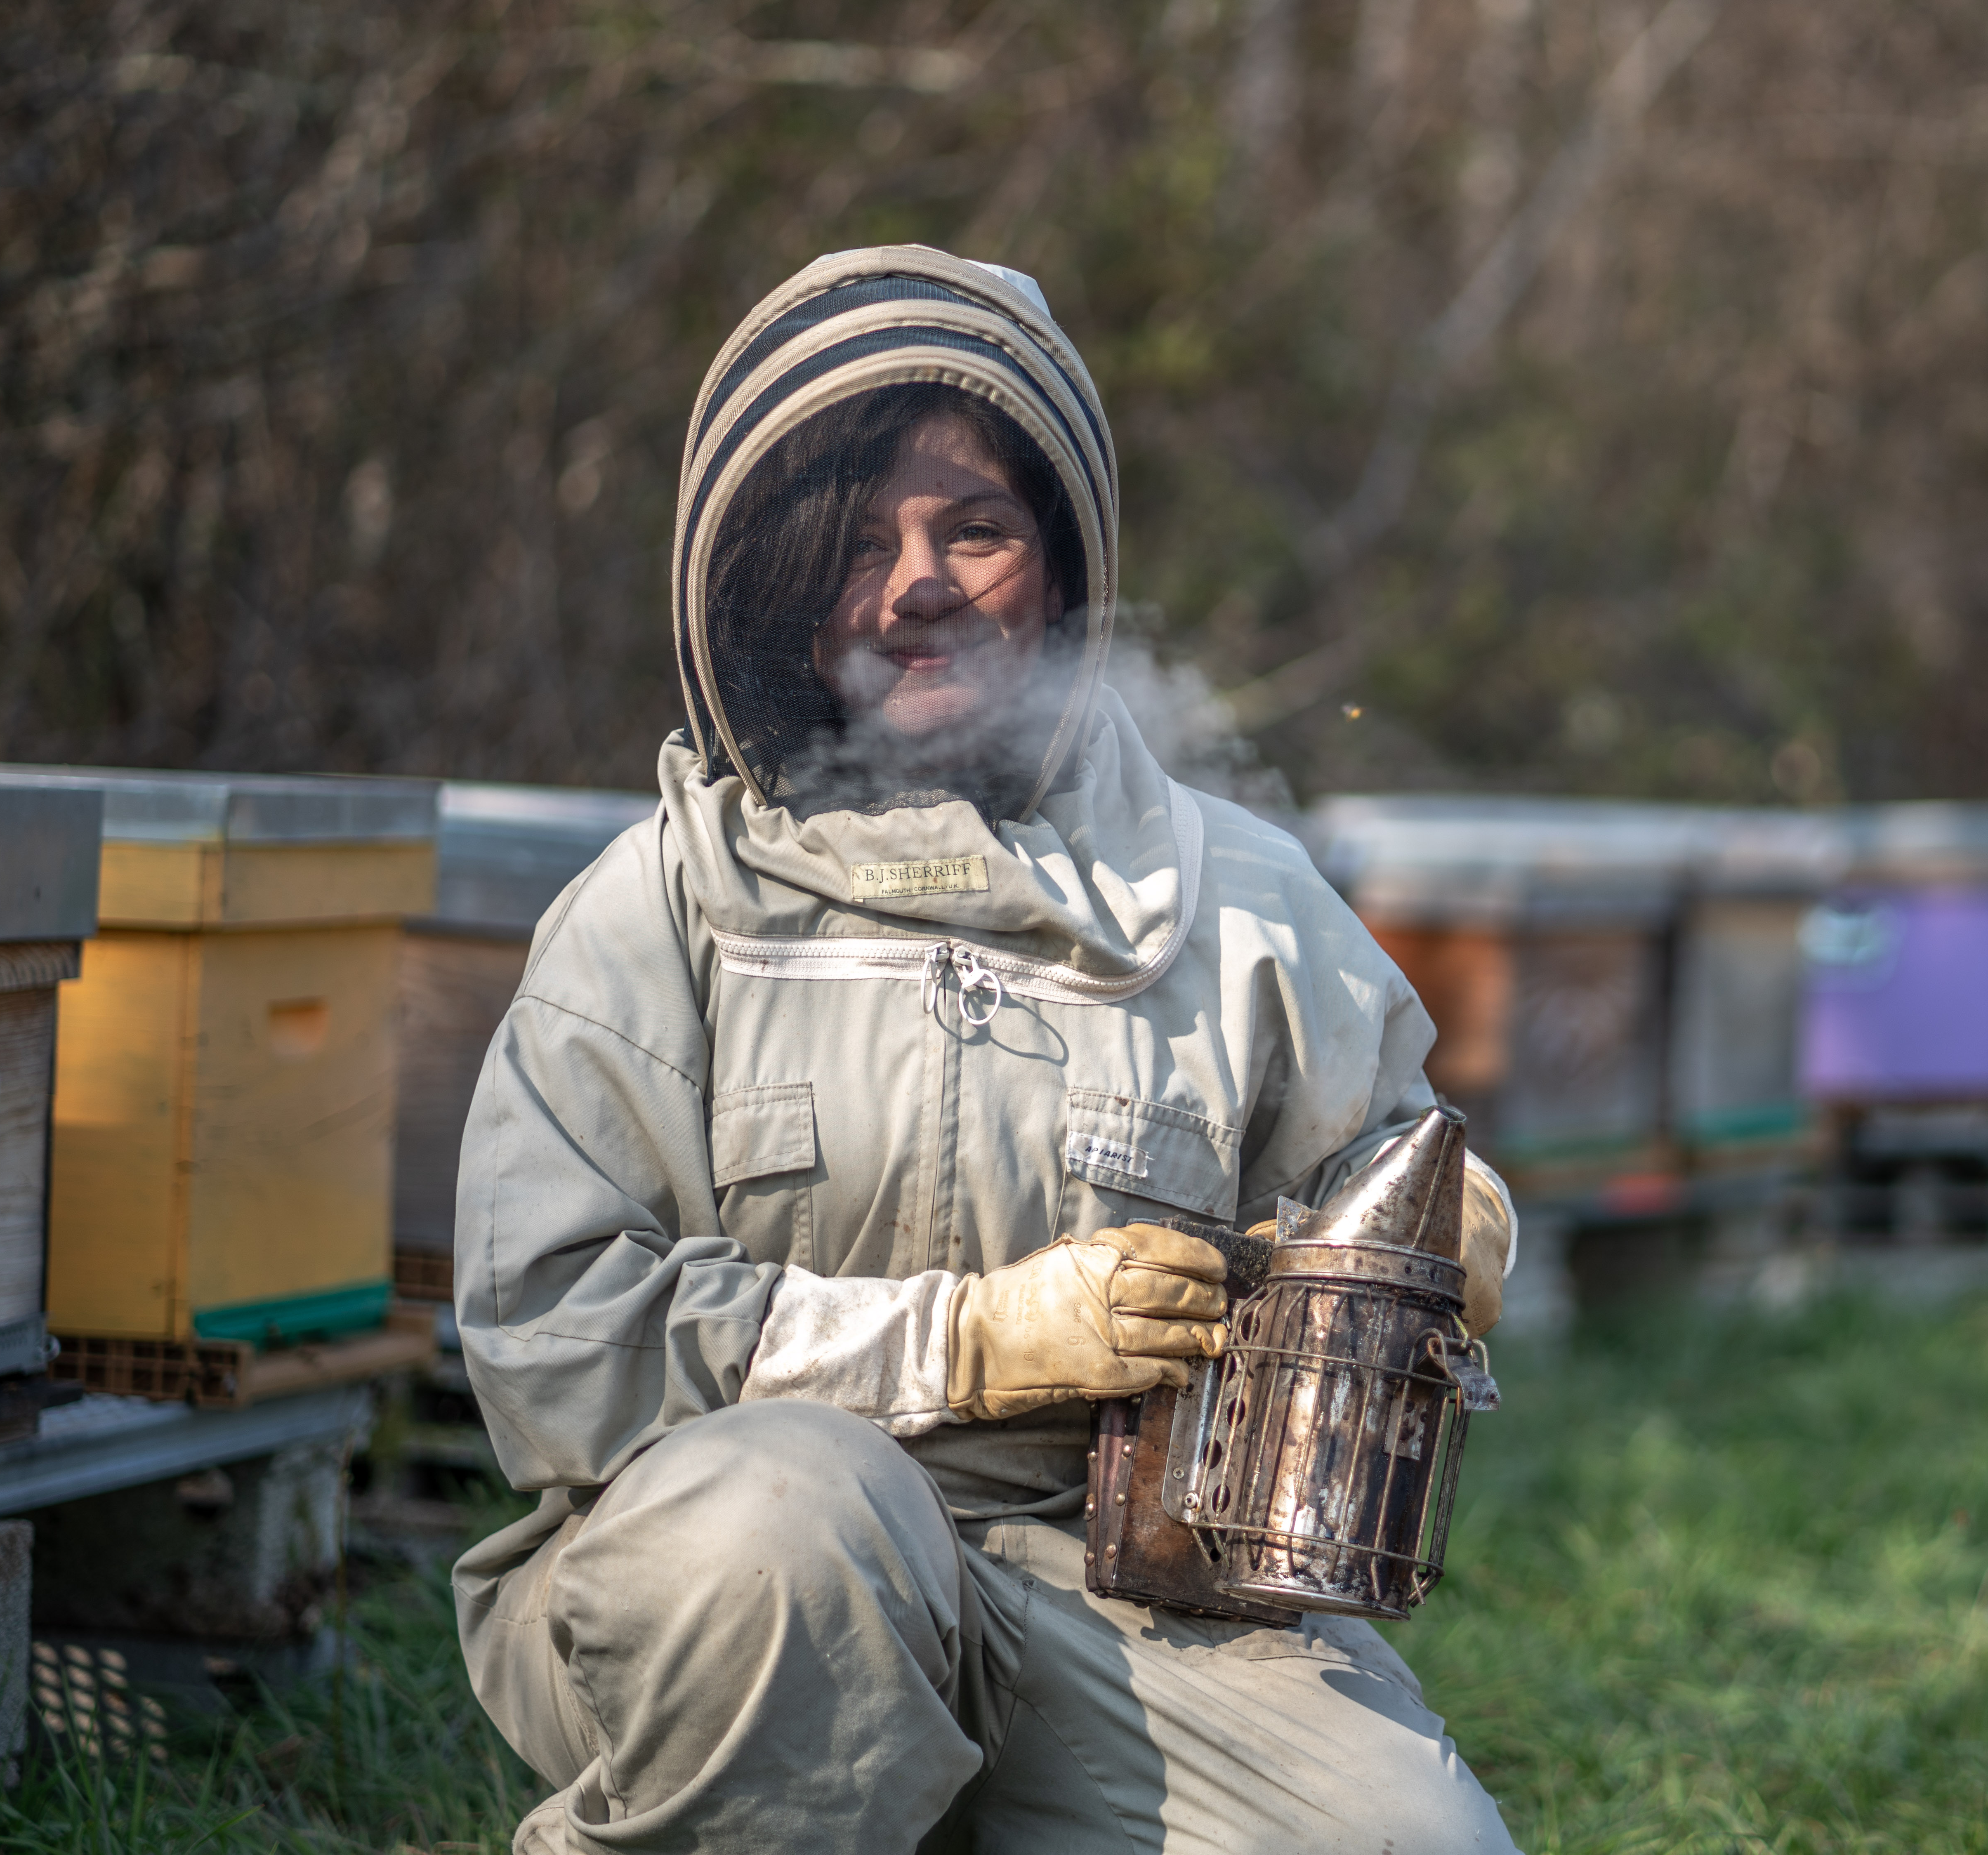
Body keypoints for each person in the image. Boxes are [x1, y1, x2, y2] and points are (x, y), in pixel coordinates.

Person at [448, 245, 1523, 1855]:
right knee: (799, 1522)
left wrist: (1442, 1239)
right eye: (852, 542)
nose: (917, 585)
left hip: (1117, 1588)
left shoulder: (1235, 897)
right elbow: (550, 1335)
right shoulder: (656, 909)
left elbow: (1386, 1177)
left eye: (976, 529)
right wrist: (965, 1344)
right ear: (761, 581)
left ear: (1063, 569)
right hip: (726, 1574)